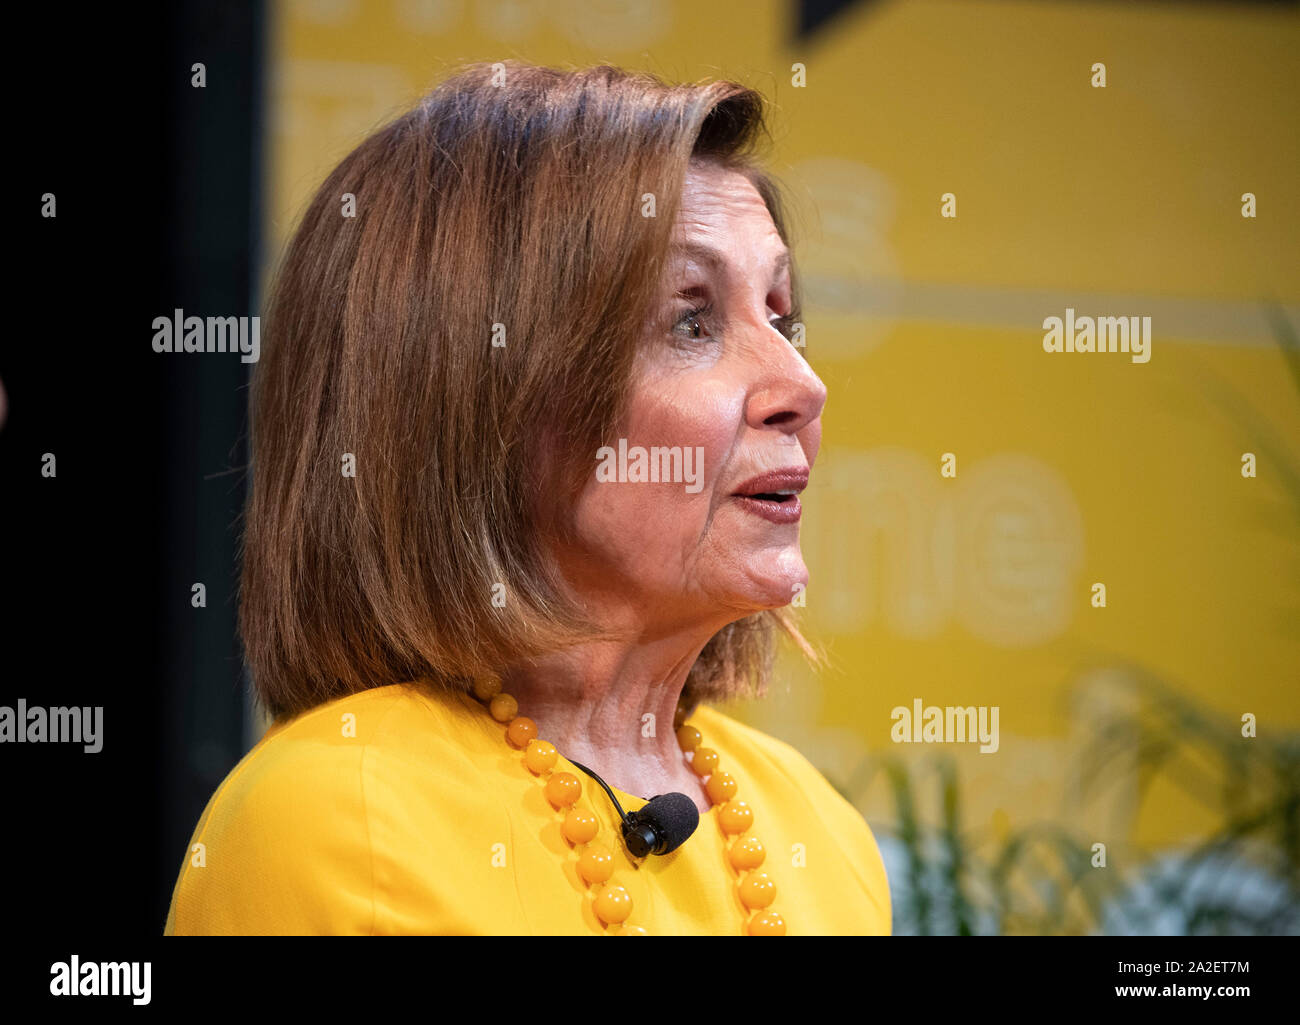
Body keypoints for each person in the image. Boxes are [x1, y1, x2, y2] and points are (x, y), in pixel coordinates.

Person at [164, 61, 891, 936]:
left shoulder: (821, 833)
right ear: (477, 394)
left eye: (779, 315)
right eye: (691, 319)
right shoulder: (336, 822)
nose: (801, 384)